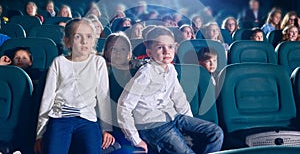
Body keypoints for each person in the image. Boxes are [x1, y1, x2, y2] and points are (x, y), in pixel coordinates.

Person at [117, 26, 224, 154]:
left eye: (170, 47)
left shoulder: (171, 69)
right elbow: (124, 106)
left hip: (173, 117)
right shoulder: (145, 74)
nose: (166, 51)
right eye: (160, 47)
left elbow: (179, 98)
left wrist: (189, 126)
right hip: (153, 125)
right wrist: (135, 139)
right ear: (150, 53)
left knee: (216, 133)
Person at [34, 18, 115, 154]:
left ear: (94, 40)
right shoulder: (58, 62)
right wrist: (40, 134)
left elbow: (103, 97)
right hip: (60, 119)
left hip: (87, 119)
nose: (84, 41)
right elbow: (47, 99)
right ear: (67, 41)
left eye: (89, 37)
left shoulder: (98, 62)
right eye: (78, 36)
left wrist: (106, 128)